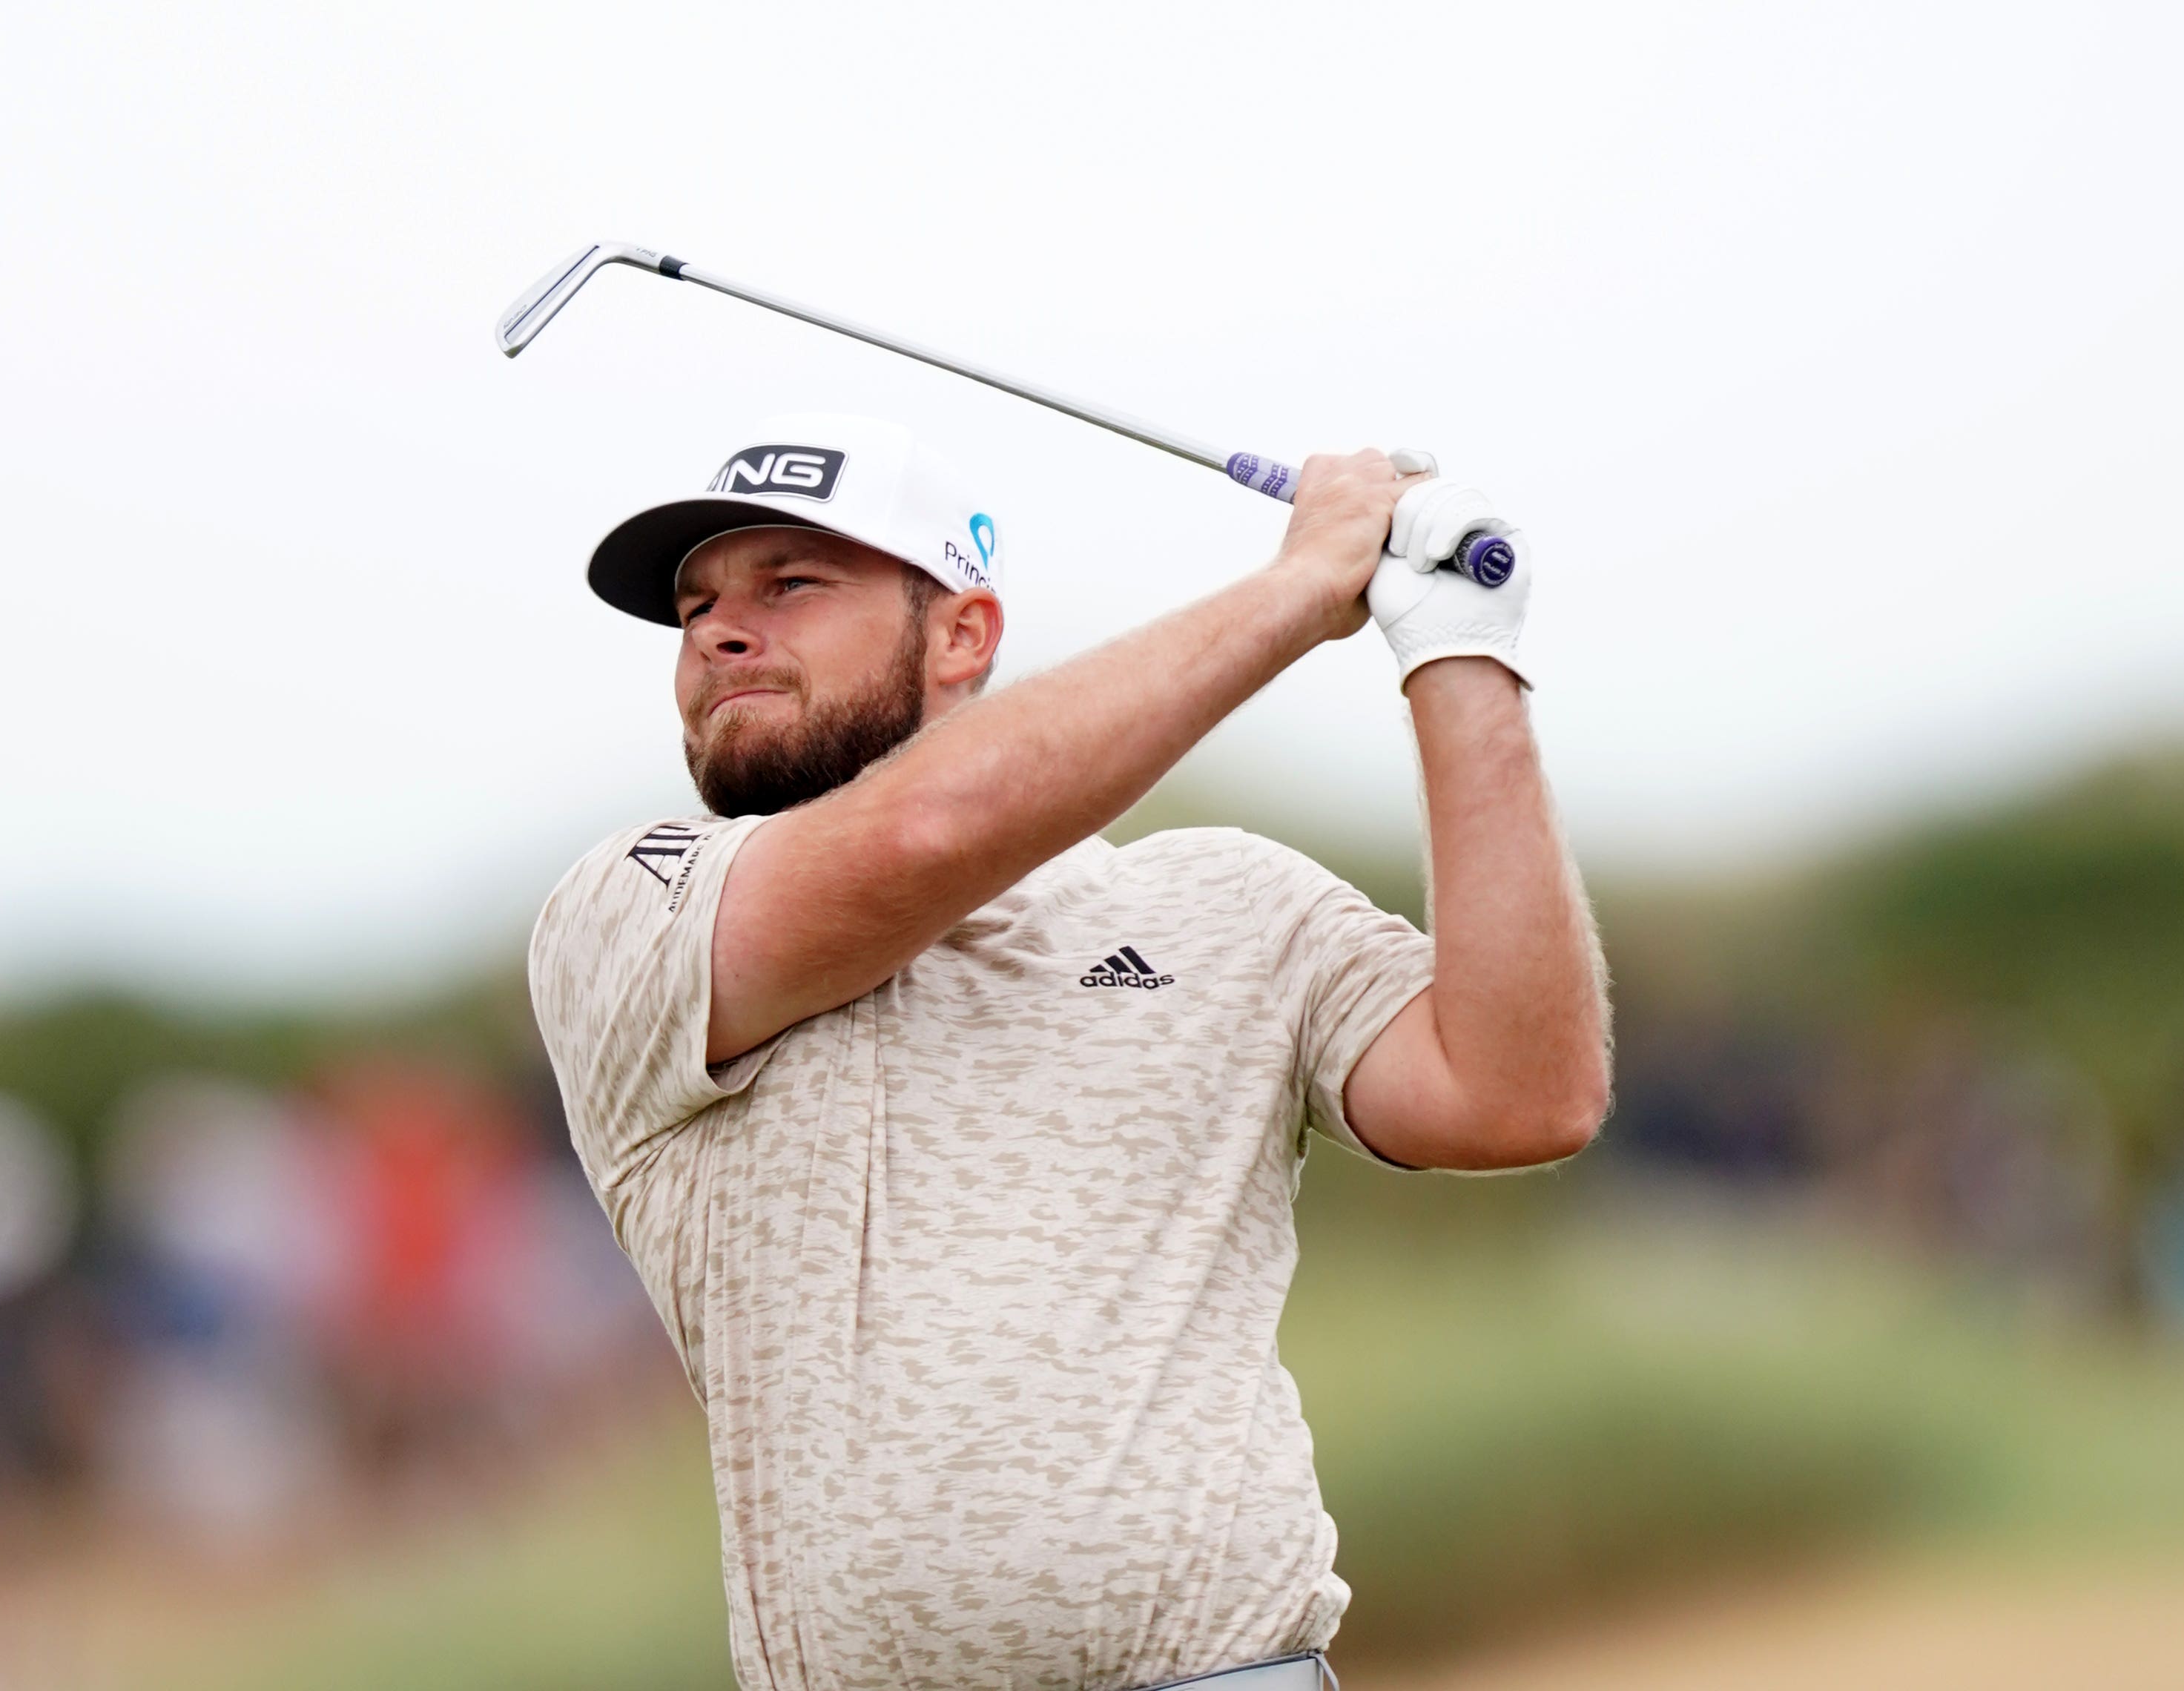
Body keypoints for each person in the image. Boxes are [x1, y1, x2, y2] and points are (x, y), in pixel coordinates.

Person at [530, 412, 1611, 1691]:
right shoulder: (635, 910)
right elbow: (924, 837)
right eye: (697, 604)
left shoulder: (1221, 901)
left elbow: (1521, 1094)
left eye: (793, 584)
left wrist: (1458, 652)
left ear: (963, 636)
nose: (718, 629)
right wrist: (1297, 591)